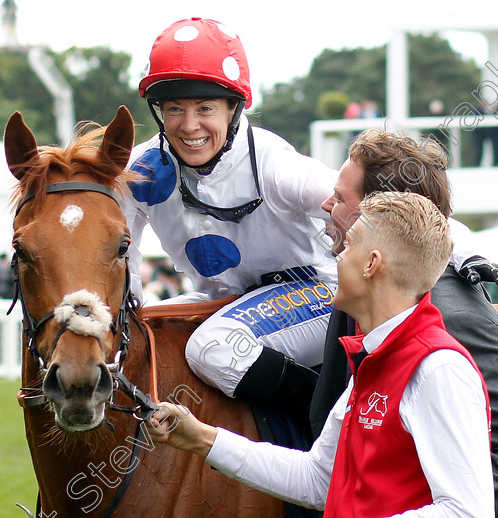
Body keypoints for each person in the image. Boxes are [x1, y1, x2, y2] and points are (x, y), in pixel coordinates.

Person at [147, 192, 494, 517]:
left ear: (372, 264)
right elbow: (317, 479)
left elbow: (467, 511)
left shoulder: (438, 368)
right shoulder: (373, 358)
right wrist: (200, 437)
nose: (337, 256)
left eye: (350, 244)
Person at [310, 129, 498, 517]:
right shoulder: (362, 296)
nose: (327, 204)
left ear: (381, 218)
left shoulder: (454, 317)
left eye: (341, 197)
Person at [124, 17, 339, 421]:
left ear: (233, 108)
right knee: (150, 338)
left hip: (321, 295)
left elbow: (377, 207)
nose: (189, 126)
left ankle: (334, 422)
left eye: (205, 108)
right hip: (228, 301)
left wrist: (464, 253)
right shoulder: (141, 169)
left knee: (213, 347)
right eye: (174, 109)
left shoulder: (275, 164)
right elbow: (119, 252)